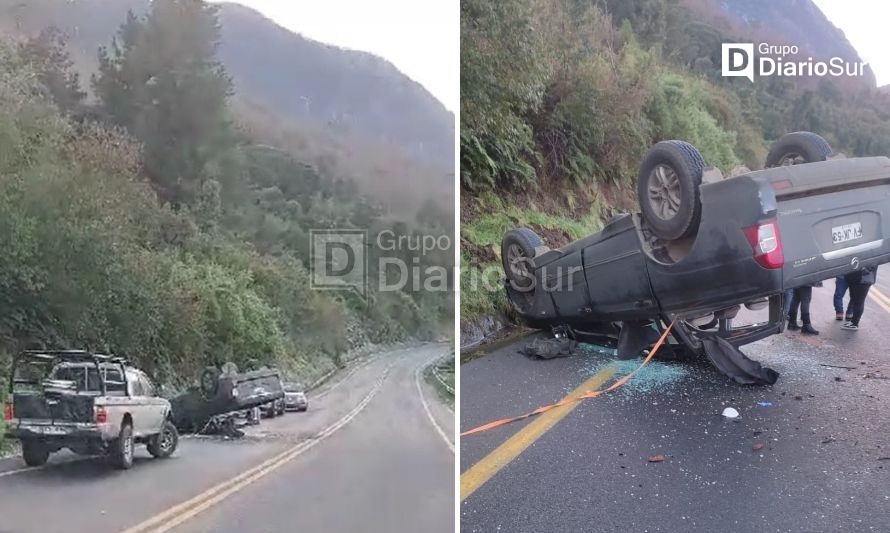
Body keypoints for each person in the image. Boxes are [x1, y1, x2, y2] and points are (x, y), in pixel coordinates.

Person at [841, 266, 877, 331]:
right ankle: (853, 322)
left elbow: (873, 263)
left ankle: (855, 323)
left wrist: (865, 269)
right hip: (855, 278)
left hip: (863, 279)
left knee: (859, 301)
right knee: (855, 300)